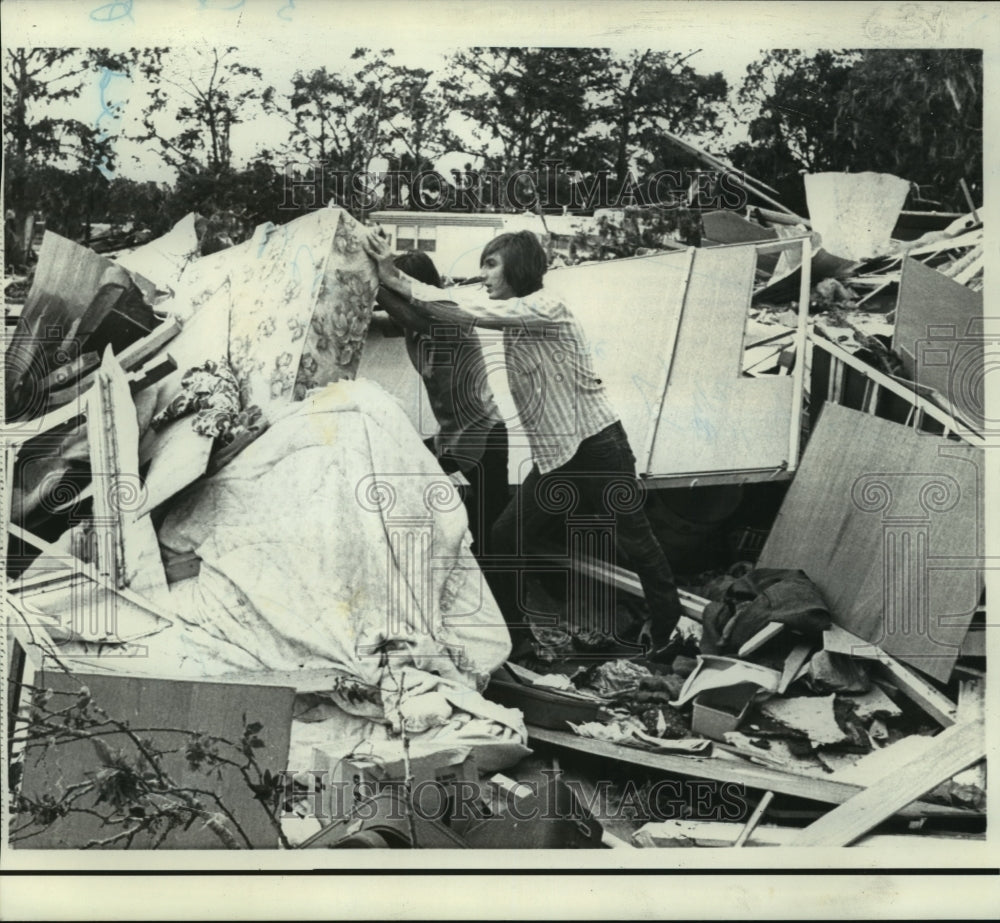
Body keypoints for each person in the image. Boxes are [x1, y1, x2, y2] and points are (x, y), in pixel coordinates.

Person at [364, 229, 684, 650]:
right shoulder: (513, 316)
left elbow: (463, 310)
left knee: (636, 539)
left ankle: (666, 632)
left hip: (597, 443)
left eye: (492, 265)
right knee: (505, 533)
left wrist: (390, 277)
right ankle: (518, 637)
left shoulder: (545, 308)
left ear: (519, 268)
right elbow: (448, 312)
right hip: (555, 456)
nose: (483, 275)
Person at [376, 249, 509, 558]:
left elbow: (408, 316)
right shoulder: (411, 326)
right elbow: (385, 320)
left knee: (492, 533)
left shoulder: (451, 322)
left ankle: (507, 604)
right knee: (404, 473)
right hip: (451, 438)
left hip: (484, 436)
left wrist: (378, 283)